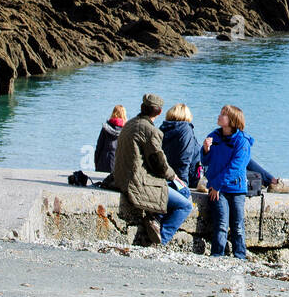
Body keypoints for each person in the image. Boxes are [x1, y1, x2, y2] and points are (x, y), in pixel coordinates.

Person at [112, 93, 193, 247]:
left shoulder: (130, 124)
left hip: (122, 177)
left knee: (185, 191)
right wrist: (174, 176)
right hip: (137, 182)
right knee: (185, 205)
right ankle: (160, 240)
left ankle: (155, 218)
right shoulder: (150, 131)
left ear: (142, 107)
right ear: (159, 112)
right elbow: (159, 163)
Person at [202, 104, 253, 259]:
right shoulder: (214, 136)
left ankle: (240, 256)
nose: (219, 116)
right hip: (217, 188)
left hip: (235, 188)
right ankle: (217, 254)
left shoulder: (242, 141)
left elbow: (237, 167)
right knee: (221, 223)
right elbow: (206, 161)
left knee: (237, 225)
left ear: (232, 120)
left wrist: (217, 184)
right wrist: (205, 150)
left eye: (223, 114)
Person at [93, 105, 126, 174]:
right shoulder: (126, 129)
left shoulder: (106, 128)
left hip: (104, 161)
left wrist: (97, 163)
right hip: (119, 164)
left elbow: (99, 147)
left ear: (113, 113)